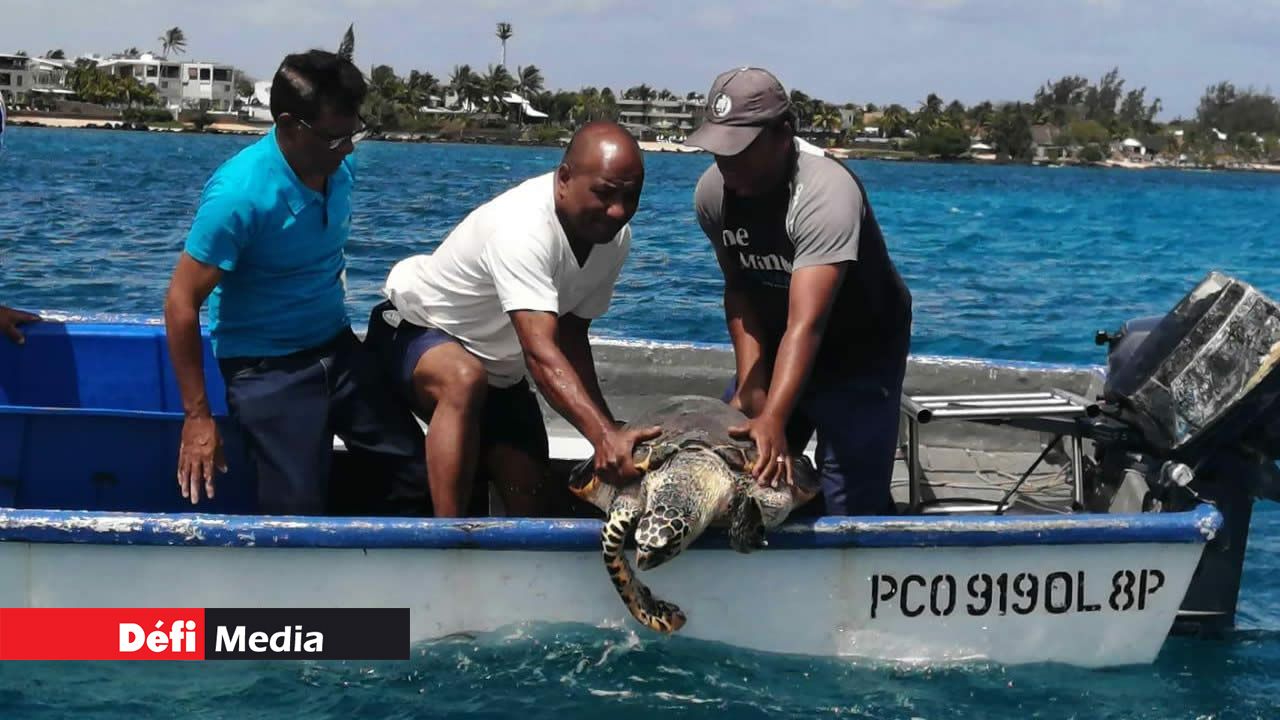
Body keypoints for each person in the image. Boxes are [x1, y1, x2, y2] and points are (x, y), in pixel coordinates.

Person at [163, 49, 426, 516]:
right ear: (288, 126)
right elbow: (181, 304)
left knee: (417, 471)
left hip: (337, 348)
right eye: (334, 139)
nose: (347, 150)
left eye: (353, 135)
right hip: (266, 368)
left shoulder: (338, 162)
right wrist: (197, 417)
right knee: (296, 511)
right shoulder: (239, 195)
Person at [367, 121, 660, 518]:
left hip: (501, 373)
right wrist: (603, 436)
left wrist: (607, 433)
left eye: (631, 196)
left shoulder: (612, 237)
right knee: (462, 378)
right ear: (564, 179)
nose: (619, 211)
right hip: (415, 336)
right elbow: (540, 354)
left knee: (533, 497)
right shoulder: (522, 228)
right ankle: (443, 544)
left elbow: (571, 338)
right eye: (605, 194)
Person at [686, 67, 913, 516]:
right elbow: (739, 289)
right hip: (778, 342)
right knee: (734, 471)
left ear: (784, 132)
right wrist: (753, 383)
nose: (728, 165)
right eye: (718, 151)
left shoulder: (825, 194)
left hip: (859, 352)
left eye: (741, 150)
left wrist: (774, 418)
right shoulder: (714, 194)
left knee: (850, 504)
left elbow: (807, 324)